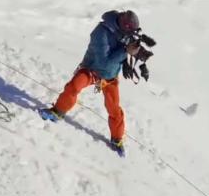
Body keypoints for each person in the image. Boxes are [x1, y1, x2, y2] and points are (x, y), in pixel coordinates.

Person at [39, 10, 142, 157]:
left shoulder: (124, 34)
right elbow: (103, 62)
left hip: (110, 76)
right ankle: (57, 112)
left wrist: (133, 54)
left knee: (114, 108)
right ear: (122, 25)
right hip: (92, 69)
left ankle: (117, 139)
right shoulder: (100, 33)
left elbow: (123, 53)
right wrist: (125, 50)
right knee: (73, 87)